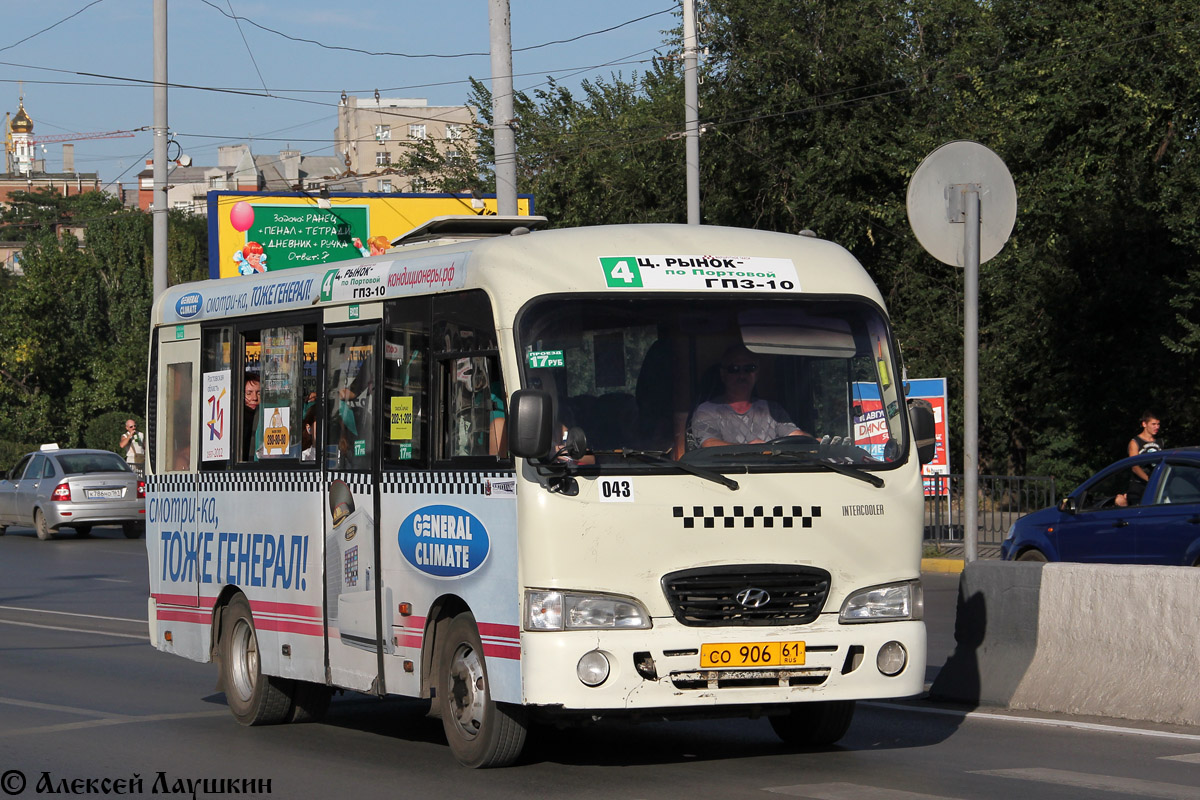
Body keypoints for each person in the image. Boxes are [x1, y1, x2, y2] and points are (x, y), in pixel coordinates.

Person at [691, 344, 809, 447]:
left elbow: (795, 436)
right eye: (735, 369)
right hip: (726, 473)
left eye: (749, 368)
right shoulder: (706, 411)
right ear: (723, 374)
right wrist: (749, 450)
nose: (742, 375)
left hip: (773, 472)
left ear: (757, 373)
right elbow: (709, 444)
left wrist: (815, 441)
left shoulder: (773, 410)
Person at [1127, 410, 1163, 502]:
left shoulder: (1160, 442)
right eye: (1153, 424)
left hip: (1156, 487)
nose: (1156, 427)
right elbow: (1134, 466)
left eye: (1158, 424)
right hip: (1139, 487)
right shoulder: (1135, 442)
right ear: (1144, 424)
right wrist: (1149, 480)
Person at [242, 372, 261, 460]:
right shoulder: (237, 419)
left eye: (259, 393)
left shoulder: (263, 417)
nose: (254, 398)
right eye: (249, 393)